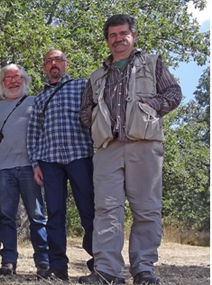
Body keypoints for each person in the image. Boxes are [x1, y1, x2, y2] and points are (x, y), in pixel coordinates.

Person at [79, 15, 182, 285]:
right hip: (108, 149)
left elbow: (173, 93)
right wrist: (98, 122)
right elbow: (84, 112)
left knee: (147, 209)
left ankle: (144, 269)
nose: (118, 39)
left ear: (133, 36)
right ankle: (107, 271)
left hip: (144, 145)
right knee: (106, 210)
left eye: (123, 33)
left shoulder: (152, 62)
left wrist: (150, 107)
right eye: (112, 35)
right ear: (107, 40)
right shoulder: (97, 75)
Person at [27, 49, 95, 281]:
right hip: (49, 160)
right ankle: (57, 267)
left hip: (80, 155)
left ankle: (100, 263)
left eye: (57, 60)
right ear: (45, 68)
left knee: (89, 211)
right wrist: (35, 163)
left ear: (66, 64)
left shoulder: (83, 86)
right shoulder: (39, 98)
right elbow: (33, 132)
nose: (53, 64)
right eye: (48, 61)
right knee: (54, 215)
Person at [0, 64, 49, 277]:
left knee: (37, 215)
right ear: (2, 84)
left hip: (32, 167)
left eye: (17, 76)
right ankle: (9, 262)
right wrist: (5, 154)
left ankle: (44, 262)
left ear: (24, 79)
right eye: (8, 78)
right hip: (3, 169)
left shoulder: (36, 101)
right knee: (7, 217)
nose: (13, 81)